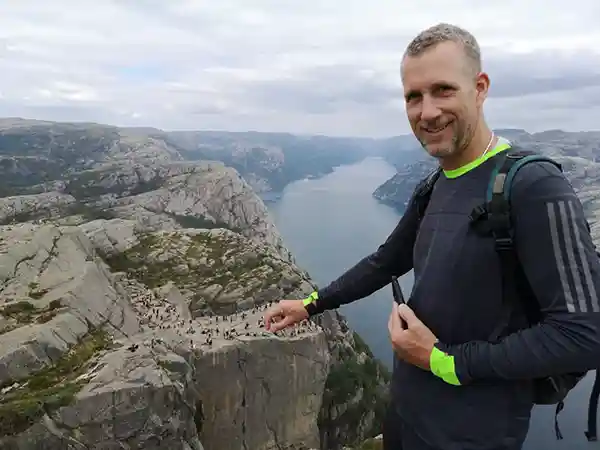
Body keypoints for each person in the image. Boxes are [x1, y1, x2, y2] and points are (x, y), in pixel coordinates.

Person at [263, 22, 600, 450]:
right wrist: (310, 305)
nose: (427, 112)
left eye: (443, 90)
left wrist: (443, 360)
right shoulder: (435, 185)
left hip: (472, 435)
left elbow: (584, 335)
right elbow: (386, 261)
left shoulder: (532, 186)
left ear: (479, 88)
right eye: (413, 97)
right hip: (406, 415)